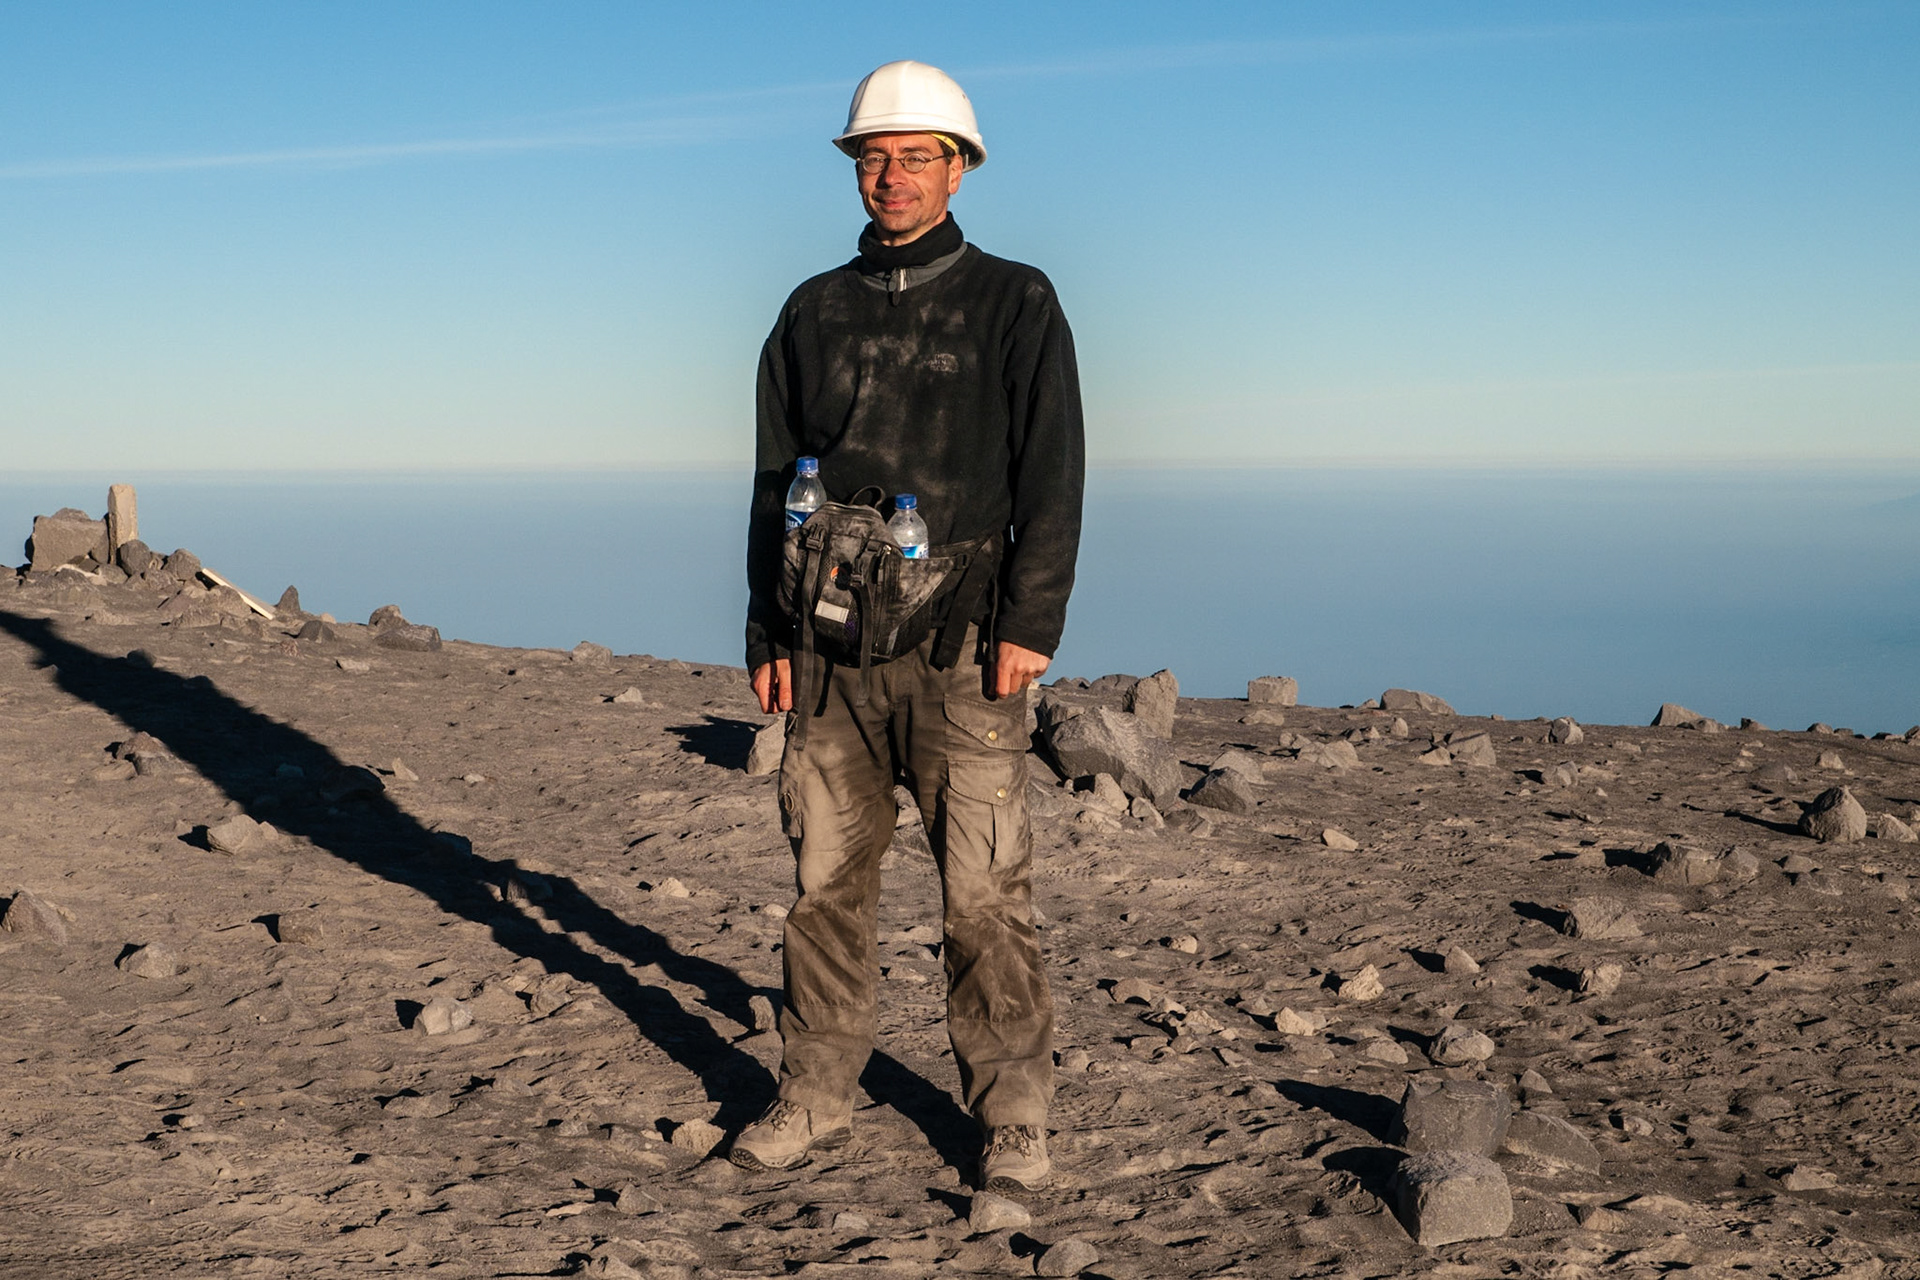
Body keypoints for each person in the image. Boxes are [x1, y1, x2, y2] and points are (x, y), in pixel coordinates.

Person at [732, 60, 1084, 1195]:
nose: (892, 175)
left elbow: (1054, 471)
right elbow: (770, 478)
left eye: (918, 155)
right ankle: (816, 1090)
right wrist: (765, 633)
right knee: (823, 888)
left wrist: (1030, 620)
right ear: (855, 167)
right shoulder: (811, 310)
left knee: (984, 896)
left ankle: (1014, 1115)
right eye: (875, 156)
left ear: (960, 166)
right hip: (827, 656)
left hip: (967, 655)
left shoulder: (1015, 301)